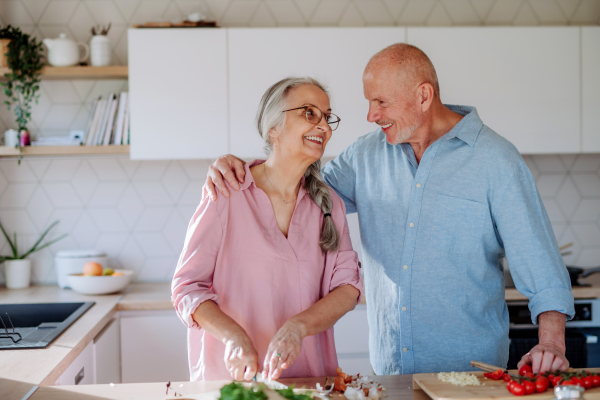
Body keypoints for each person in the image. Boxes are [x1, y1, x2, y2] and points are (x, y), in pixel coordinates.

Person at [202, 43, 575, 375]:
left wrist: (552, 343)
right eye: (368, 102)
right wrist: (238, 166)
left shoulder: (496, 160)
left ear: (423, 96)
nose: (371, 114)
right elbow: (298, 189)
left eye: (381, 102)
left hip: (470, 374)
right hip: (390, 371)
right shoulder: (365, 155)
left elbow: (540, 264)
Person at [172, 77, 363, 382]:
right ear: (272, 127)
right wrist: (234, 336)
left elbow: (348, 288)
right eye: (309, 113)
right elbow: (187, 287)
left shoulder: (329, 205)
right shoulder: (227, 193)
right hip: (234, 381)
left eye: (327, 117)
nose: (324, 127)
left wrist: (297, 327)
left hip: (309, 381)